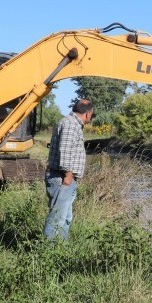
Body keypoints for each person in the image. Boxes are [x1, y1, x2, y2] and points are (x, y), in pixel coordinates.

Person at [43, 99, 93, 240]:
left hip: (64, 177)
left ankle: (61, 250)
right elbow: (65, 151)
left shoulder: (70, 123)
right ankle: (48, 251)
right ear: (88, 114)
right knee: (57, 217)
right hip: (62, 178)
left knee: (65, 217)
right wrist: (68, 175)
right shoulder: (70, 124)